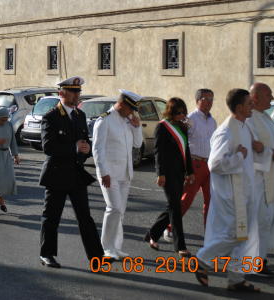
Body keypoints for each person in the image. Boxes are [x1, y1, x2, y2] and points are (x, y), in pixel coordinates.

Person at [194, 88, 263, 292]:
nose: (253, 106)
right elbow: (214, 164)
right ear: (240, 107)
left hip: (244, 191)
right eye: (249, 103)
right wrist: (239, 156)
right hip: (231, 194)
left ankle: (236, 278)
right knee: (235, 234)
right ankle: (203, 260)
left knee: (244, 235)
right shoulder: (225, 130)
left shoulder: (243, 126)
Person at [39, 76, 104, 269]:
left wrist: (85, 149)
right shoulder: (51, 116)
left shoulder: (79, 115)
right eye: (74, 91)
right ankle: (47, 253)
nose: (78, 95)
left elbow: (84, 141)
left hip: (75, 173)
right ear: (62, 93)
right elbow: (48, 147)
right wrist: (74, 147)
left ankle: (96, 258)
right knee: (52, 216)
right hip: (57, 173)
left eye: (79, 92)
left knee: (86, 217)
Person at [92, 89, 144, 259]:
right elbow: (97, 150)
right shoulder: (105, 120)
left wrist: (137, 127)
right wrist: (103, 172)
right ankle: (106, 247)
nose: (132, 113)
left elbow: (138, 144)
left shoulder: (128, 120)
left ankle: (116, 246)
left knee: (120, 211)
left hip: (125, 173)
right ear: (121, 105)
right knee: (113, 208)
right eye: (130, 109)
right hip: (109, 174)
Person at [245, 82, 274, 274]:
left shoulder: (264, 117)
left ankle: (260, 259)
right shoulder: (249, 119)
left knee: (266, 220)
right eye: (269, 94)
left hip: (271, 177)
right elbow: (251, 148)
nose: (272, 97)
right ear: (255, 97)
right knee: (257, 223)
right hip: (257, 181)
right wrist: (272, 153)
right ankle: (253, 262)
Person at [144, 98, 195, 257]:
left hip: (179, 173)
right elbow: (159, 152)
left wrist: (190, 171)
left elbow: (186, 150)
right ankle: (180, 246)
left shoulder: (182, 127)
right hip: (167, 173)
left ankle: (152, 234)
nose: (181, 115)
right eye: (178, 112)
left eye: (183, 112)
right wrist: (160, 173)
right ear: (171, 112)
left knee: (173, 206)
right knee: (175, 207)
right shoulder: (162, 127)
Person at [165, 88, 217, 242]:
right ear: (197, 101)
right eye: (205, 99)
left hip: (209, 164)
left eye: (211, 99)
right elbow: (180, 142)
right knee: (186, 199)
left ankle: (209, 233)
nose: (209, 103)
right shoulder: (189, 119)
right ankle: (168, 226)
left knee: (211, 200)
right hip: (194, 164)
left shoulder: (213, 121)